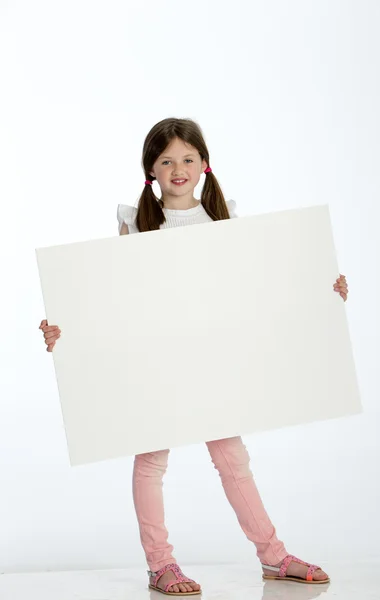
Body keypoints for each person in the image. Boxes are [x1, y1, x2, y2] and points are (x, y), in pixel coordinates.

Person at [39, 118, 349, 596]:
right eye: (166, 161)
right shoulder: (133, 223)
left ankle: (273, 556)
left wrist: (322, 293)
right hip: (155, 363)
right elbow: (107, 297)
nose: (178, 168)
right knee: (151, 461)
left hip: (211, 364)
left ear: (204, 163)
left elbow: (260, 289)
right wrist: (66, 330)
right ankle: (160, 565)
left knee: (232, 458)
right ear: (151, 171)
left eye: (187, 158)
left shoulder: (223, 223)